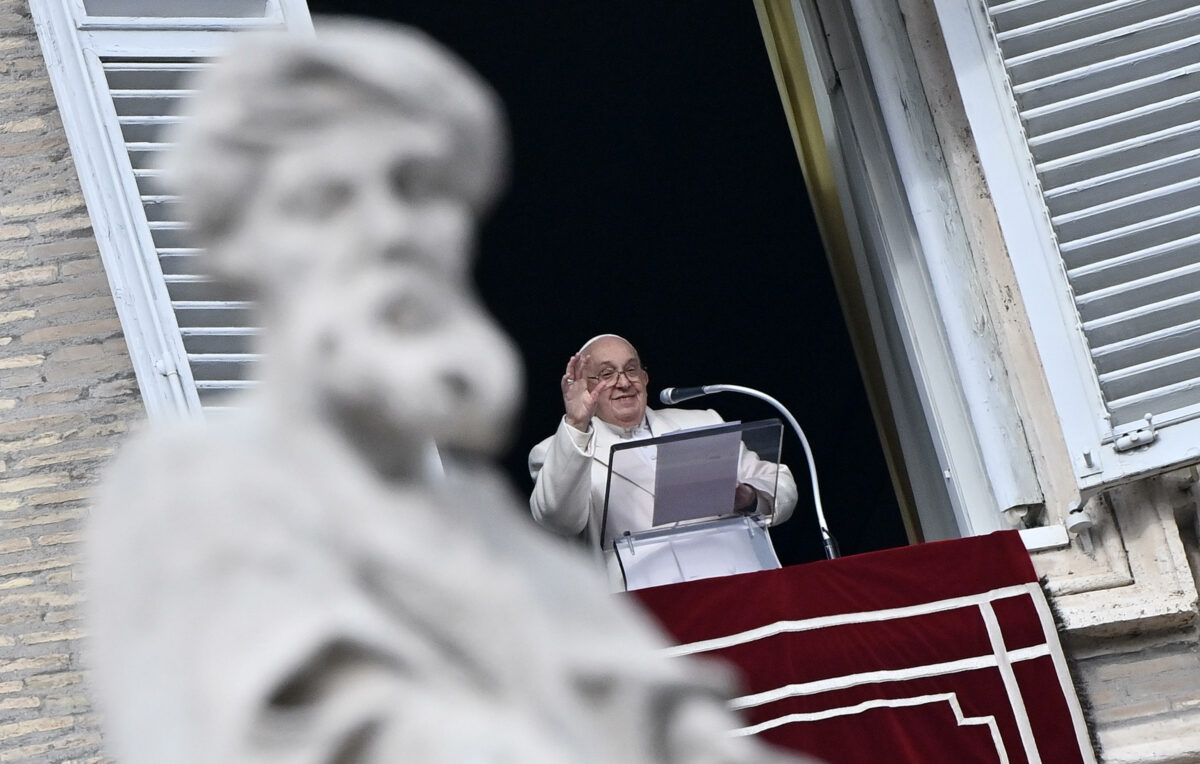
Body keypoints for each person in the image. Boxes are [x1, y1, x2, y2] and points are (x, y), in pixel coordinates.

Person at [86, 21, 809, 763]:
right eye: (330, 195)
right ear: (238, 246)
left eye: (419, 188)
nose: (393, 229)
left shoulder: (477, 523)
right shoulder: (193, 486)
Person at [528, 334, 798, 584]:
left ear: (645, 378)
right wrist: (576, 423)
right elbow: (558, 520)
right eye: (607, 374)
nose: (623, 382)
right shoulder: (557, 451)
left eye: (631, 369)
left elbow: (781, 483)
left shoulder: (701, 422)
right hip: (647, 612)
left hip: (738, 587)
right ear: (586, 388)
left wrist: (749, 496)